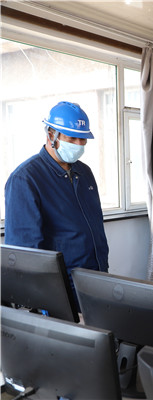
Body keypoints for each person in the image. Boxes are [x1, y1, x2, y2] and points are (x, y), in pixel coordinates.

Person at [4, 101, 109, 295]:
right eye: (72, 138)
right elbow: (24, 252)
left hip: (97, 278)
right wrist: (42, 297)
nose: (79, 144)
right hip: (61, 289)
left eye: (83, 139)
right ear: (51, 135)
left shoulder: (84, 172)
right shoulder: (26, 179)